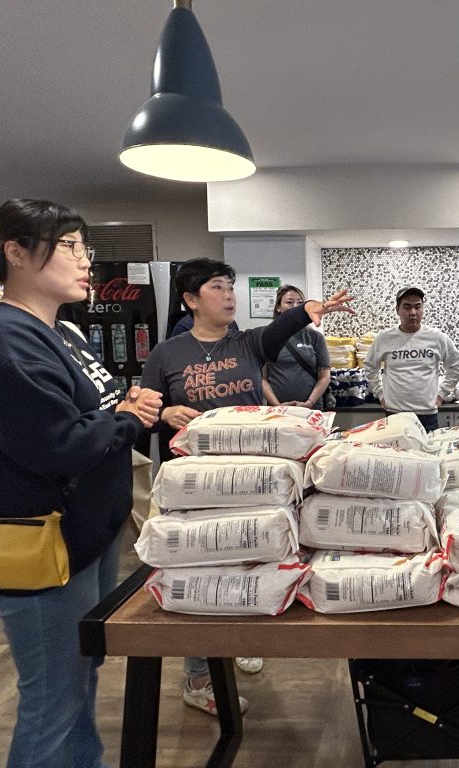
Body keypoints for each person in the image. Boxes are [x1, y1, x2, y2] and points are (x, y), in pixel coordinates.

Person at [0, 199, 163, 768]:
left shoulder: (61, 330)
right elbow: (58, 447)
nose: (84, 260)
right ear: (15, 253)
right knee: (53, 698)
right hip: (42, 544)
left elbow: (92, 409)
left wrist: (126, 407)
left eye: (82, 247)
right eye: (69, 246)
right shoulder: (3, 338)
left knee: (80, 681)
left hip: (85, 535)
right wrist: (129, 418)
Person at [140, 258, 353, 717]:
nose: (229, 294)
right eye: (217, 287)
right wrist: (163, 415)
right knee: (200, 572)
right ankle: (199, 676)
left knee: (246, 564)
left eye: (231, 286)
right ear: (191, 299)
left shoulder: (249, 343)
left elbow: (284, 327)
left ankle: (237, 641)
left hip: (252, 484)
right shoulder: (167, 354)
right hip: (194, 488)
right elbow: (144, 409)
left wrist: (314, 309)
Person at [363, 287, 459, 432]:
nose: (413, 313)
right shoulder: (384, 339)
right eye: (407, 307)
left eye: (418, 307)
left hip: (427, 416)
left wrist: (442, 393)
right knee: (396, 455)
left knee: (427, 454)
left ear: (423, 309)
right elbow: (370, 367)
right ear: (397, 310)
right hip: (395, 414)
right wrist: (380, 393)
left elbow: (456, 365)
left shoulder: (437, 337)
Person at [261, 284, 332, 408]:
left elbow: (324, 375)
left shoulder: (315, 337)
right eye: (289, 302)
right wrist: (277, 405)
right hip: (278, 409)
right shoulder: (267, 336)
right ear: (278, 307)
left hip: (311, 408)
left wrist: (309, 402)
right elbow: (262, 378)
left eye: (300, 303)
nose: (295, 306)